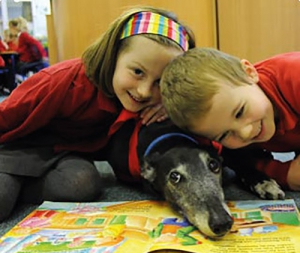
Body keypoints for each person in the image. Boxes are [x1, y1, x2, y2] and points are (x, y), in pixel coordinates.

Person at [0, 6, 195, 221]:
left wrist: (170, 102)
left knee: (84, 184)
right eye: (137, 72)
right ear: (113, 55)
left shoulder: (145, 100)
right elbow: (6, 114)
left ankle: (20, 185)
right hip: (16, 147)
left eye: (160, 82)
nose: (144, 91)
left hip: (65, 154)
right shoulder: (62, 80)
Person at [160, 47, 300, 191]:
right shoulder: (230, 120)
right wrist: (285, 173)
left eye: (240, 112)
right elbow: (243, 160)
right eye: (224, 135)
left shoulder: (294, 75)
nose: (245, 133)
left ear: (249, 73)